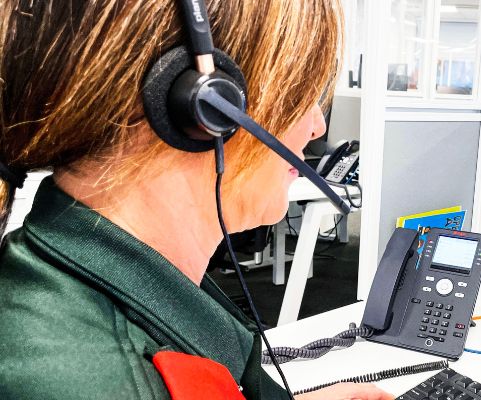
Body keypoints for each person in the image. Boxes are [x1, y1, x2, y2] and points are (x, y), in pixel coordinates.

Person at [0, 0, 393, 399]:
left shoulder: (124, 282)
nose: (317, 125)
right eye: (300, 94)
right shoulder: (93, 383)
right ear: (203, 104)